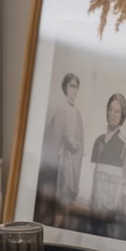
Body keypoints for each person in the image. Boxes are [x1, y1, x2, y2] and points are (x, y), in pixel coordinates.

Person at [36, 73, 84, 228]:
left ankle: (63, 228)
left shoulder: (77, 113)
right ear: (65, 88)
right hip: (60, 162)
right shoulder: (60, 111)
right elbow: (54, 140)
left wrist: (75, 145)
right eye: (71, 86)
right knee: (55, 198)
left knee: (66, 200)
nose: (74, 90)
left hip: (71, 163)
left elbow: (79, 139)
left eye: (76, 87)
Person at [88, 92, 126, 237]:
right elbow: (92, 174)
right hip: (95, 205)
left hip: (111, 207)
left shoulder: (124, 144)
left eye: (117, 111)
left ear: (122, 116)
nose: (113, 114)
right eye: (111, 110)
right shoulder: (98, 140)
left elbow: (125, 178)